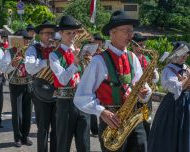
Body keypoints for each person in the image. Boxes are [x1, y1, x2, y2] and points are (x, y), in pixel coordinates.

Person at [74, 10, 152, 152]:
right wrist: (102, 112)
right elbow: (81, 96)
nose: (131, 35)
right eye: (126, 31)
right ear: (113, 32)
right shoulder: (98, 61)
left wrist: (144, 93)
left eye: (131, 31)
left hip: (134, 119)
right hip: (112, 120)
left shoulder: (133, 58)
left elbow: (142, 85)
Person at [49, 15, 91, 152]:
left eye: (74, 32)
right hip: (65, 102)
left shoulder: (81, 51)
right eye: (68, 33)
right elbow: (62, 79)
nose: (73, 36)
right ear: (60, 33)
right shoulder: (54, 55)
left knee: (84, 143)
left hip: (83, 101)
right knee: (63, 143)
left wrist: (90, 63)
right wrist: (75, 63)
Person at [148, 41, 190, 152]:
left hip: (187, 104)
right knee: (170, 134)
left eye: (186, 55)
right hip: (172, 105)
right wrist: (187, 80)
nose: (183, 57)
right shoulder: (169, 70)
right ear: (175, 53)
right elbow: (175, 88)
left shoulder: (187, 68)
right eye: (181, 54)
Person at [25, 20, 57, 152]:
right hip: (40, 91)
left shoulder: (58, 48)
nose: (51, 36)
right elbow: (30, 68)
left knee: (56, 127)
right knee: (43, 127)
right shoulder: (33, 48)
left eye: (52, 33)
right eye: (47, 33)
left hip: (57, 91)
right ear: (40, 35)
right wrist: (46, 62)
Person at [0, 29, 33, 147]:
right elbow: (3, 68)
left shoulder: (30, 51)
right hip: (15, 85)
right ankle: (17, 137)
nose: (27, 42)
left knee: (28, 112)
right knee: (17, 112)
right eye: (25, 40)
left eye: (28, 40)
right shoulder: (9, 52)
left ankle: (26, 135)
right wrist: (12, 65)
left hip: (28, 84)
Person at [131, 32, 159, 139]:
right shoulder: (129, 58)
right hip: (134, 97)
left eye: (144, 44)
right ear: (133, 45)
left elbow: (155, 79)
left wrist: (153, 76)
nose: (144, 47)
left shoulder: (147, 59)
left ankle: (147, 142)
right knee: (135, 126)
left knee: (147, 120)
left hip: (147, 96)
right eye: (141, 45)